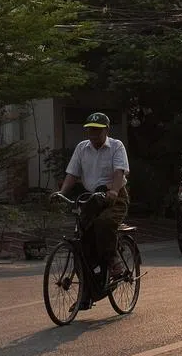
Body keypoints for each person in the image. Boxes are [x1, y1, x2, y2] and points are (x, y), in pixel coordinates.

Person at [58, 112, 130, 278]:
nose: (93, 134)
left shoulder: (116, 146)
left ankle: (113, 259)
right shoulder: (82, 148)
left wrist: (113, 191)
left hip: (115, 196)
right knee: (83, 230)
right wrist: (61, 193)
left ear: (106, 130)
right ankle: (89, 278)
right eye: (90, 130)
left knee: (104, 223)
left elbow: (119, 172)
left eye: (97, 130)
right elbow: (72, 174)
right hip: (92, 197)